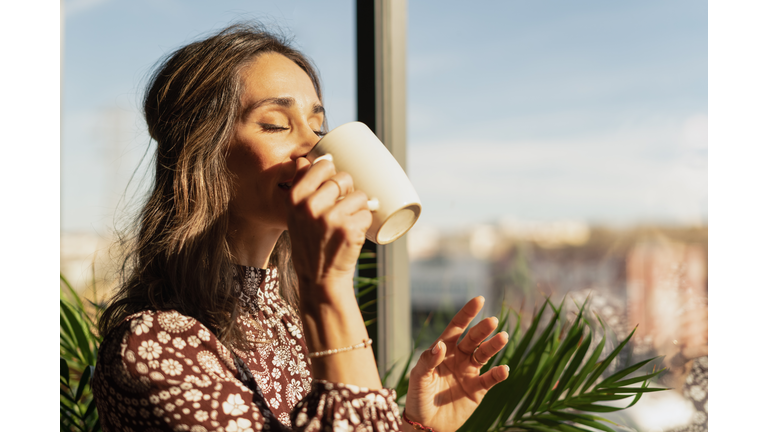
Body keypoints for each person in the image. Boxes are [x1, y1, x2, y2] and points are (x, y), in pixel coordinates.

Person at [93, 23, 510, 432]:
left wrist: (416, 426)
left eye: (318, 125)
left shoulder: (286, 314)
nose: (314, 146)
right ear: (202, 152)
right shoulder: (154, 345)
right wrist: (328, 287)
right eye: (275, 124)